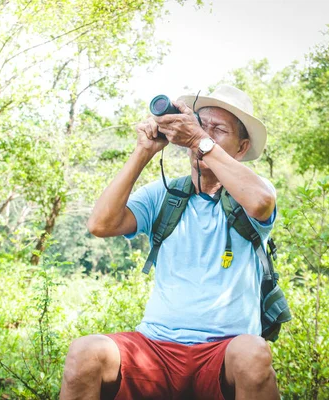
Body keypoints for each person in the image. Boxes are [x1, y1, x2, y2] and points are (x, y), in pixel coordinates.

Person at [60, 85, 280, 400]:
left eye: (218, 131)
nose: (206, 136)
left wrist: (200, 140)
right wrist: (144, 150)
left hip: (224, 352)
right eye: (201, 126)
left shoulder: (253, 192)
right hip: (156, 350)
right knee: (85, 353)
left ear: (242, 147)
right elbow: (100, 224)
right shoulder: (164, 195)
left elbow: (260, 203)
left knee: (253, 353)